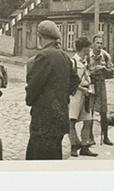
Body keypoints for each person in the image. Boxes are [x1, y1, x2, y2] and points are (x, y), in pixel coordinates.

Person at [25, 20, 80, 160]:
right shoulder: (63, 55)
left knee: (37, 158)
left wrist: (30, 100)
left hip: (44, 117)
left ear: (40, 36)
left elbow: (34, 85)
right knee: (55, 155)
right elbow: (75, 80)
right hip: (60, 114)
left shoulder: (44, 56)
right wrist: (62, 96)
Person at [68, 37, 97, 157]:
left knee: (88, 121)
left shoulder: (85, 62)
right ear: (84, 48)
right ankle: (74, 146)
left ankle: (84, 146)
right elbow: (70, 81)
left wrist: (86, 88)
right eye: (89, 48)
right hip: (74, 96)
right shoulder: (72, 62)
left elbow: (86, 79)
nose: (90, 50)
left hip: (84, 96)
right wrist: (82, 88)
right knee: (71, 122)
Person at [87, 34, 114, 145]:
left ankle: (106, 137)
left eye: (101, 43)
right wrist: (93, 71)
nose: (99, 45)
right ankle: (90, 137)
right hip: (91, 84)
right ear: (93, 44)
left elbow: (112, 72)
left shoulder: (106, 56)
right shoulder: (88, 56)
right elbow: (84, 72)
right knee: (90, 111)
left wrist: (104, 69)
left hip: (101, 84)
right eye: (97, 43)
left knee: (103, 111)